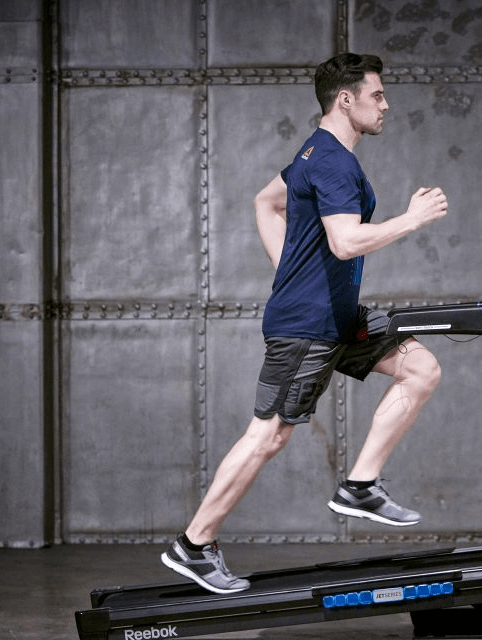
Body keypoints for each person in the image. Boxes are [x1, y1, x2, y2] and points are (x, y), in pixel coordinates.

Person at [161, 53, 449, 594]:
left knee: (421, 368)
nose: (386, 104)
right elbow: (343, 242)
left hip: (333, 316)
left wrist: (291, 272)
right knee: (268, 435)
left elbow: (266, 204)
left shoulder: (315, 151)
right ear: (347, 99)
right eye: (378, 95)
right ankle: (194, 546)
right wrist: (411, 219)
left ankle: (360, 485)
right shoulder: (334, 161)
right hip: (308, 326)